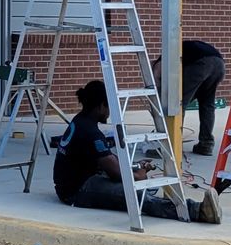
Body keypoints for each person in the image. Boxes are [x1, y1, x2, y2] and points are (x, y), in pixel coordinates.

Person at [53, 79, 219, 223]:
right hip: (77, 190)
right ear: (101, 106)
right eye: (109, 106)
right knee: (137, 197)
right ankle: (199, 211)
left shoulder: (81, 121)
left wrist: (133, 166)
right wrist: (137, 175)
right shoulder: (91, 133)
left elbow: (106, 158)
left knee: (138, 185)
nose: (110, 112)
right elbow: (117, 173)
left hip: (77, 180)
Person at [175, 39, 227, 157]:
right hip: (219, 65)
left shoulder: (165, 57)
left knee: (177, 103)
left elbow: (159, 74)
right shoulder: (188, 47)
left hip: (202, 64)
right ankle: (206, 144)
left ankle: (173, 144)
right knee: (207, 104)